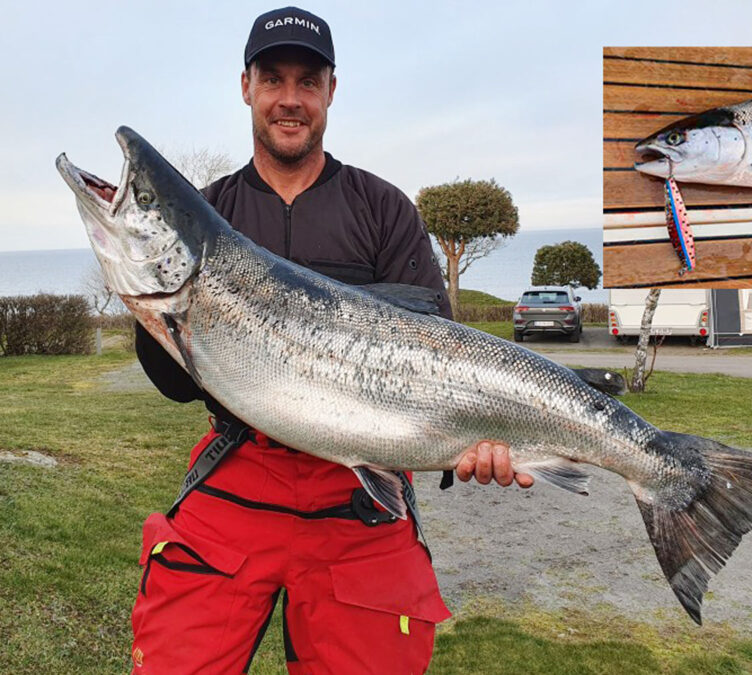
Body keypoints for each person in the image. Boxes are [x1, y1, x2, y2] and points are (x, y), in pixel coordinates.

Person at [130, 7, 530, 673]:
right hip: (238, 468)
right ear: (246, 86)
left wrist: (474, 436)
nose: (290, 99)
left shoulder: (383, 211)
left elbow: (442, 355)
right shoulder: (211, 211)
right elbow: (175, 383)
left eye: (308, 81)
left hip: (360, 494)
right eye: (273, 78)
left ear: (331, 92)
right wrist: (150, 305)